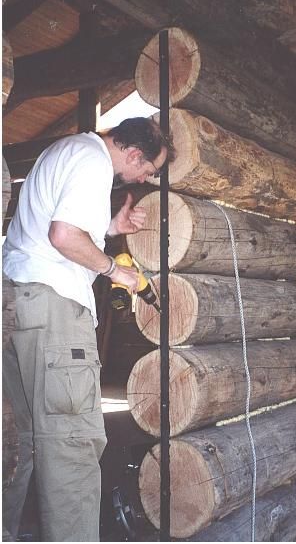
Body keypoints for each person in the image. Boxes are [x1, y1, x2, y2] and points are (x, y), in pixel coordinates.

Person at [2, 117, 168, 541]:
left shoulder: (66, 150)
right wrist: (118, 271)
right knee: (72, 441)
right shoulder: (92, 160)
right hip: (55, 311)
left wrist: (113, 228)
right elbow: (64, 236)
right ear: (133, 153)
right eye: (149, 169)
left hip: (19, 304)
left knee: (16, 442)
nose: (146, 177)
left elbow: (52, 229)